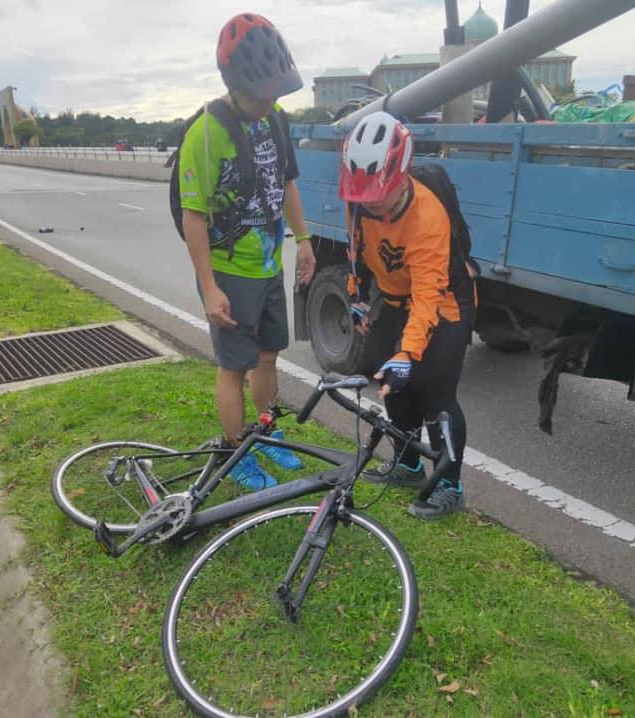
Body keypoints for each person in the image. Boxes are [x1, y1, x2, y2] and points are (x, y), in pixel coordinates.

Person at [179, 13, 317, 490]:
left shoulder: (276, 121)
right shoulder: (205, 133)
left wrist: (303, 241)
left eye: (275, 92)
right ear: (236, 85)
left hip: (267, 264)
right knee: (233, 366)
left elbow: (287, 185)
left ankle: (265, 429)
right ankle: (237, 450)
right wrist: (210, 287)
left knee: (268, 357)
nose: (270, 102)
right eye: (262, 94)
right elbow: (192, 217)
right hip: (228, 269)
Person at [338, 111, 476, 520]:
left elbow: (428, 298)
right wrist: (358, 296)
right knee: (391, 386)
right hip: (395, 301)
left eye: (377, 192)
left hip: (444, 304)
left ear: (400, 175)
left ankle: (449, 485)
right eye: (361, 193)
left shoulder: (428, 217)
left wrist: (408, 353)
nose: (368, 202)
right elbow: (357, 250)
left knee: (434, 393)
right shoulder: (359, 200)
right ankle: (408, 464)